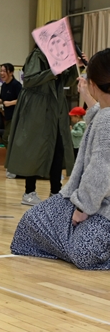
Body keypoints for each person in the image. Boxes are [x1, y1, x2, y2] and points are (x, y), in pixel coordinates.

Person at [10, 48, 110, 270]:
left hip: (98, 205)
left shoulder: (106, 119)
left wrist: (82, 209)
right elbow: (100, 117)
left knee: (82, 251)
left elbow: (100, 171)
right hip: (95, 201)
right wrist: (87, 95)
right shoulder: (104, 115)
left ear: (94, 84)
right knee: (33, 222)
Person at [5, 42, 85, 206]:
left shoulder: (59, 56)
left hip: (55, 108)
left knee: (57, 148)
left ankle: (56, 191)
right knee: (33, 149)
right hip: (37, 108)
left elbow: (66, 81)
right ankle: (29, 192)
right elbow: (29, 80)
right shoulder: (37, 55)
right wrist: (54, 71)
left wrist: (77, 65)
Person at [0, 63, 21, 147]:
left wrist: (10, 103)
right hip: (8, 116)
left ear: (11, 72)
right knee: (8, 138)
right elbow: (2, 100)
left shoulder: (16, 85)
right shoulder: (4, 86)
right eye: (0, 71)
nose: (1, 73)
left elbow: (22, 100)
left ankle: (12, 154)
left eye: (4, 71)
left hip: (16, 116)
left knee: (6, 137)